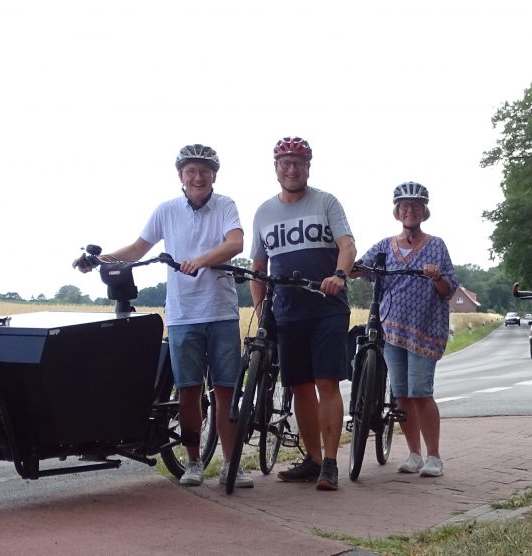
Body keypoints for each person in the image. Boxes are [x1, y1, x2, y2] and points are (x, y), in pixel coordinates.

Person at [73, 144, 253, 488]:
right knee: (188, 390)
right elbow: (139, 248)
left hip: (220, 312)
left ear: (214, 175)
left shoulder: (226, 205)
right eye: (190, 171)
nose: (197, 177)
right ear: (181, 176)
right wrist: (100, 260)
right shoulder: (166, 210)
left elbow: (235, 244)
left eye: (203, 171)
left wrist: (200, 260)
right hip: (183, 314)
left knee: (225, 390)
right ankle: (194, 462)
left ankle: (233, 464)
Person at [249, 136, 357, 490]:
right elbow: (258, 263)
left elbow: (347, 244)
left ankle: (330, 462)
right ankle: (312, 458)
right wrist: (261, 304)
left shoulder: (326, 202)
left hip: (326, 307)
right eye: (285, 163)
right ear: (276, 168)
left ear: (308, 167)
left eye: (298, 163)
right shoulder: (264, 212)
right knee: (298, 386)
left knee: (327, 381)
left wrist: (339, 275)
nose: (291, 169)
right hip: (288, 311)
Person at [353, 182, 457, 478]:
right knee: (401, 395)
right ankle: (413, 453)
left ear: (424, 211)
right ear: (397, 211)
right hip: (391, 331)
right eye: (404, 206)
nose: (409, 211)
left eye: (415, 206)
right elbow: (360, 267)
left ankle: (434, 456)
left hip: (424, 329)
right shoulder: (385, 246)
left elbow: (449, 287)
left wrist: (436, 277)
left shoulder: (436, 245)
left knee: (421, 392)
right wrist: (344, 266)